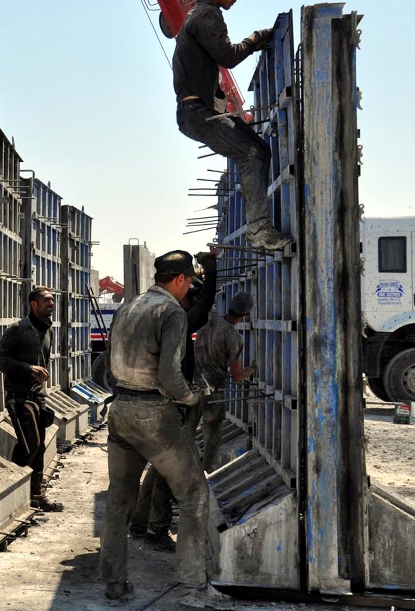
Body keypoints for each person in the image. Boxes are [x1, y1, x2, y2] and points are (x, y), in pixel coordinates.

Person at [99, 250, 231, 609]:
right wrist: (191, 399)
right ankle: (193, 588)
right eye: (188, 282)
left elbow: (110, 360)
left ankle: (114, 584)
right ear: (179, 280)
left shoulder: (128, 306)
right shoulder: (170, 311)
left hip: (120, 410)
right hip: (153, 415)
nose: (188, 288)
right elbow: (171, 376)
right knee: (193, 494)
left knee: (118, 502)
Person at [173, 0, 292, 252]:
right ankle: (260, 231)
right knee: (253, 153)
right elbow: (227, 56)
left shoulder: (197, 15)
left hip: (196, 113)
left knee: (254, 148)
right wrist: (255, 39)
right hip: (199, 113)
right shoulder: (208, 16)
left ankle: (258, 227)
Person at [129, 251, 218, 550]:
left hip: (150, 404)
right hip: (171, 406)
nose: (190, 302)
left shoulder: (148, 313)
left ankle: (141, 525)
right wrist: (211, 267)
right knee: (169, 472)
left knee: (156, 469)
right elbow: (204, 307)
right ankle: (156, 529)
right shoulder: (174, 318)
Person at [0, 287, 64, 512]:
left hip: (38, 398)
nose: (51, 303)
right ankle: (12, 490)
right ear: (33, 303)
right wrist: (28, 368)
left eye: (52, 300)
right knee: (29, 444)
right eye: (46, 300)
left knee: (39, 447)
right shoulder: (18, 329)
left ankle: (36, 495)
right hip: (19, 398)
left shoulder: (48, 331)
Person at [195, 291, 256, 472]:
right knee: (212, 437)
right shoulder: (234, 338)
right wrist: (253, 368)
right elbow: (237, 376)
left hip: (191, 384)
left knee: (187, 430)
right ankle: (204, 475)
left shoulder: (210, 319)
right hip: (214, 393)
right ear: (247, 315)